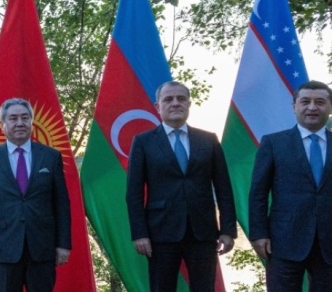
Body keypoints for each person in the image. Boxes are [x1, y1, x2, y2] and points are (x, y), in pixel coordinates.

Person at [125, 80, 237, 292]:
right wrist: (140, 233)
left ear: (188, 104)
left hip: (203, 232)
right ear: (157, 107)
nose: (175, 103)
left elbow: (224, 189)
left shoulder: (208, 140)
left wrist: (228, 230)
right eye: (168, 99)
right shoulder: (143, 142)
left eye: (181, 98)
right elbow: (134, 193)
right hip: (160, 233)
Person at [0, 98, 71, 292]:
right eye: (13, 118)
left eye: (25, 118)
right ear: (2, 124)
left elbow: (62, 205)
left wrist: (63, 244)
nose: (20, 123)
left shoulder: (51, 157)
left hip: (42, 248)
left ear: (31, 122)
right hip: (4, 249)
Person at [249, 80, 332, 291]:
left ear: (330, 107)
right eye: (305, 101)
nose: (312, 107)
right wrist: (259, 233)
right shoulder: (273, 143)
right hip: (283, 241)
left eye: (320, 102)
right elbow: (258, 193)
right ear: (294, 106)